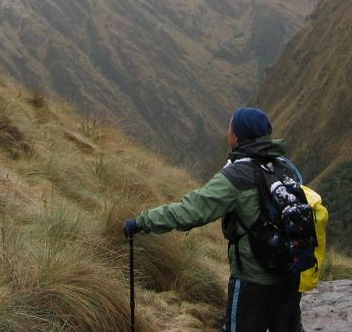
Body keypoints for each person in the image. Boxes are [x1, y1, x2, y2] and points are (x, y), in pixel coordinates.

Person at [123, 107, 304, 332]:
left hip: (253, 279)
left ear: (237, 136)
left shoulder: (237, 176)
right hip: (290, 271)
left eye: (230, 127)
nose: (227, 131)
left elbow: (190, 211)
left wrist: (142, 222)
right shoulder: (283, 166)